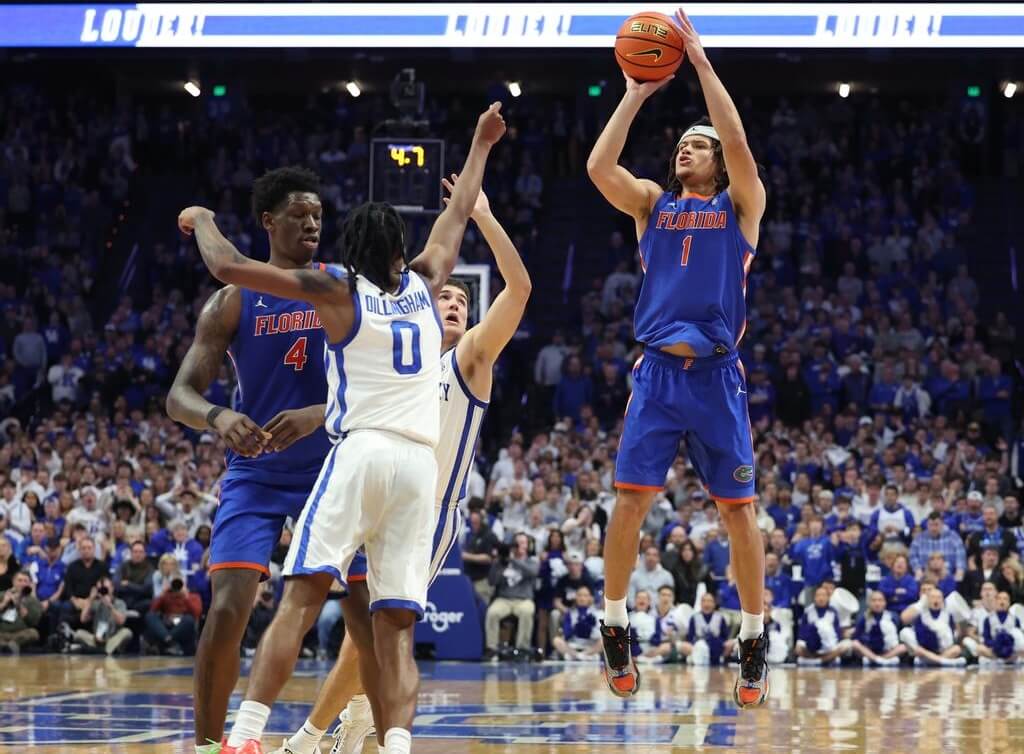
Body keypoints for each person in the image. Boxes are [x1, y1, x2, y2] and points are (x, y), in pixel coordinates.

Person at [193, 102, 505, 754]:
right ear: (401, 251)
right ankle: (396, 745)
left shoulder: (338, 288)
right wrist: (479, 143)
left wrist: (202, 221)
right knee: (393, 630)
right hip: (420, 469)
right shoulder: (426, 281)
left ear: (350, 253)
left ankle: (245, 736)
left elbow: (228, 268)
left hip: (360, 453)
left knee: (301, 599)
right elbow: (453, 218)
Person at [274, 175, 530, 754]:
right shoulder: (394, 358)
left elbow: (519, 287)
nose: (456, 304)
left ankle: (311, 735)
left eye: (465, 301)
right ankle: (362, 711)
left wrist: (483, 217)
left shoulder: (469, 357)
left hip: (428, 507)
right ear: (416, 303)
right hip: (380, 490)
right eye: (446, 298)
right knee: (358, 624)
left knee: (370, 629)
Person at [586, 7, 769, 706]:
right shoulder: (653, 205)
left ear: (718, 160)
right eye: (681, 147)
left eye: (697, 146)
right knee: (630, 500)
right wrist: (636, 91)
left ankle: (753, 639)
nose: (683, 153)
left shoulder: (740, 206)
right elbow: (600, 166)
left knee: (738, 511)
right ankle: (614, 623)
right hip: (658, 373)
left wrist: (698, 62)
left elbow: (739, 140)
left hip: (717, 377)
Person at [167, 166, 335, 754]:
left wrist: (318, 413)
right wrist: (218, 417)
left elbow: (376, 379)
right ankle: (213, 746)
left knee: (369, 609)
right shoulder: (233, 300)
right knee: (229, 607)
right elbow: (179, 395)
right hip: (258, 470)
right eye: (299, 214)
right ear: (269, 221)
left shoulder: (338, 286)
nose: (312, 223)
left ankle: (356, 730)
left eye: (318, 214)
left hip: (332, 468)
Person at [850, 590, 906, 667]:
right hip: (869, 650)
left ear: (885, 603)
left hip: (888, 650)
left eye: (880, 600)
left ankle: (880, 659)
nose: (877, 603)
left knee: (903, 647)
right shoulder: (864, 617)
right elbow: (856, 637)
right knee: (854, 644)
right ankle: (878, 659)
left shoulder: (893, 616)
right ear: (869, 603)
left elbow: (897, 636)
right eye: (874, 600)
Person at [0, 571, 43, 653]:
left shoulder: (33, 601)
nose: (22, 583)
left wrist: (19, 605)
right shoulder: (2, 595)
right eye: (19, 580)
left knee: (34, 633)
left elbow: (33, 621)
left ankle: (6, 645)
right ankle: (8, 645)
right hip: (1, 632)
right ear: (13, 582)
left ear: (29, 584)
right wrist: (4, 603)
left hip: (20, 634)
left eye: (25, 581)